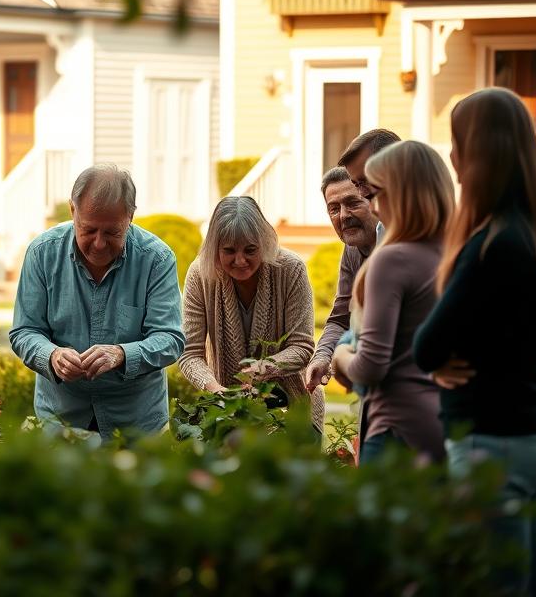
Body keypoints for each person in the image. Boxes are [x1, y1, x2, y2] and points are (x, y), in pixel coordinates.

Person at [413, 88, 536, 595]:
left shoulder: (490, 245)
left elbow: (427, 346)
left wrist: (443, 360)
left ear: (479, 152)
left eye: (457, 143)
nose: (450, 156)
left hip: (491, 443)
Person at [9, 164, 185, 439]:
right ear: (72, 211)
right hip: (60, 422)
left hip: (136, 426)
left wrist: (121, 354)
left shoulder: (157, 259)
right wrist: (51, 355)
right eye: (88, 230)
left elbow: (171, 338)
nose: (99, 244)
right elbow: (24, 332)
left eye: (112, 232)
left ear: (130, 217)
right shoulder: (42, 253)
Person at [330, 141, 452, 464]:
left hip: (394, 427)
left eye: (376, 193)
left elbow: (370, 366)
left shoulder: (392, 259)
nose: (374, 206)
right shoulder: (451, 255)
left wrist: (340, 357)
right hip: (441, 424)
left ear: (403, 194)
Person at [180, 196, 323, 431]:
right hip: (229, 413)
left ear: (264, 243)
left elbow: (303, 347)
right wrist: (214, 389)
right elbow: (189, 354)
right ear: (215, 248)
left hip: (293, 410)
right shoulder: (200, 275)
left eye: (250, 250)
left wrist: (262, 369)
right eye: (228, 251)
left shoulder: (291, 269)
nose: (240, 260)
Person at [303, 167, 380, 391]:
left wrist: (342, 356)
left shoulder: (395, 249)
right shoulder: (352, 249)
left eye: (353, 203)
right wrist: (322, 357)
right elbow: (340, 318)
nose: (343, 215)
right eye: (334, 209)